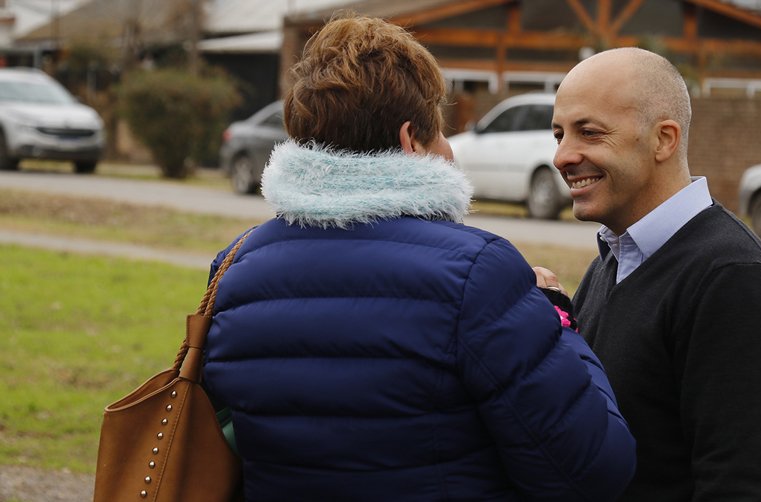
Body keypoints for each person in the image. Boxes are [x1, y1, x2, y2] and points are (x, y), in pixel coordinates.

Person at [201, 15, 635, 501]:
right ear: (411, 143)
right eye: (441, 133)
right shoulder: (477, 273)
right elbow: (591, 469)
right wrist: (554, 315)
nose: (450, 150)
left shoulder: (234, 269)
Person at [541, 47, 761, 500]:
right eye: (559, 134)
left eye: (589, 133)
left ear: (664, 139)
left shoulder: (734, 280)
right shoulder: (615, 257)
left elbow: (739, 484)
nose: (563, 156)